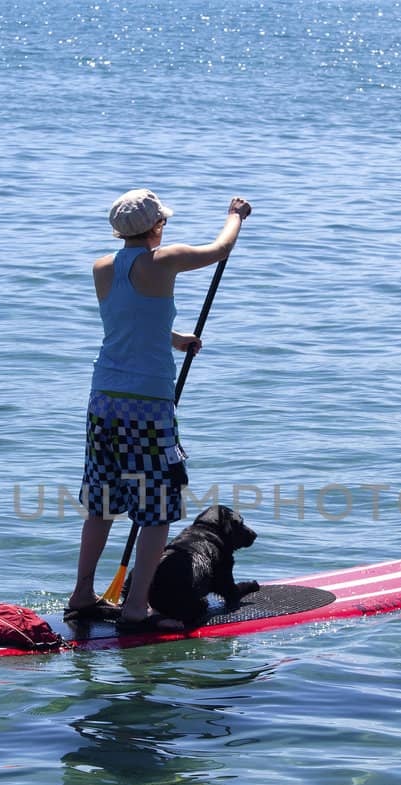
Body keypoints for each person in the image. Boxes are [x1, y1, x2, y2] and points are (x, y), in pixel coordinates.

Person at [68, 189, 252, 633]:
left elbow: (130, 320)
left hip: (103, 400)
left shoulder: (103, 267)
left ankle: (83, 593)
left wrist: (175, 339)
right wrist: (235, 216)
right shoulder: (165, 259)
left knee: (103, 503)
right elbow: (220, 248)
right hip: (147, 407)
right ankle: (135, 609)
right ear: (158, 225)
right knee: (157, 511)